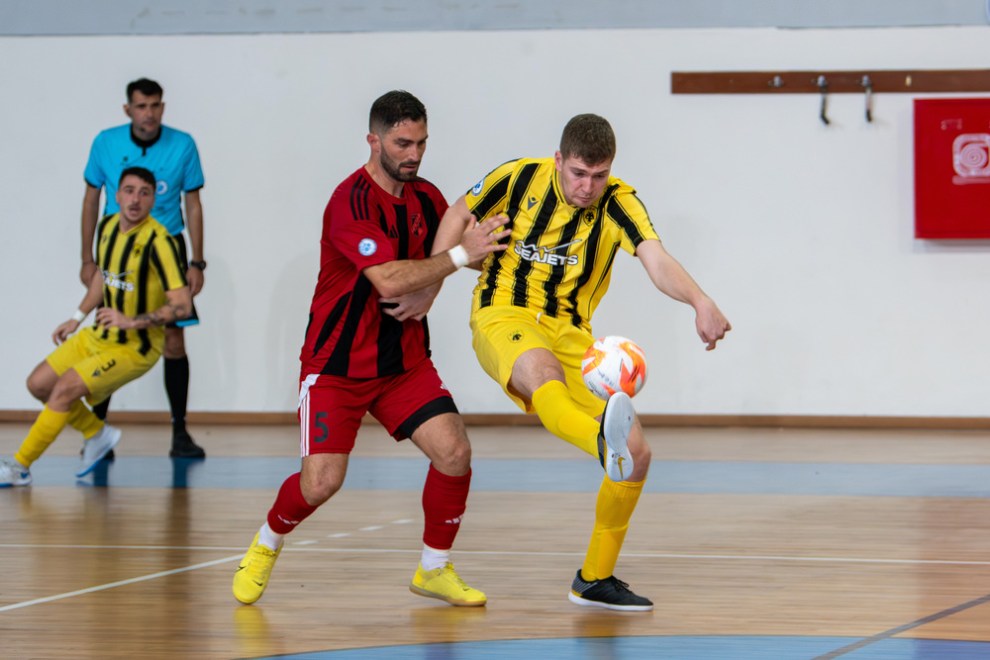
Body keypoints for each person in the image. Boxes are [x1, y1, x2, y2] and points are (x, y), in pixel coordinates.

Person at [431, 113, 731, 611]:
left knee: (638, 454)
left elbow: (655, 258)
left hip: (573, 334)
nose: (588, 187)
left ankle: (594, 579)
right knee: (543, 374)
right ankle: (600, 442)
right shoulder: (518, 177)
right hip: (503, 313)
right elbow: (459, 211)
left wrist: (700, 301)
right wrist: (434, 275)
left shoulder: (619, 203)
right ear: (558, 160)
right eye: (578, 174)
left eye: (599, 175)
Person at [231, 91, 510, 607]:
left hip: (402, 363)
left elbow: (451, 257)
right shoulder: (350, 203)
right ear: (373, 140)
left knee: (454, 452)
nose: (414, 154)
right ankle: (267, 541)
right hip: (336, 367)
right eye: (403, 143)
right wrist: (457, 256)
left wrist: (482, 248)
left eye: (421, 143)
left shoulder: (426, 197)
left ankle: (434, 569)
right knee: (321, 483)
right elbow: (389, 279)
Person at [0, 167, 192, 487]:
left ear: (153, 200)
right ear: (116, 195)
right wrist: (77, 317)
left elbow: (182, 305)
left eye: (144, 193)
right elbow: (102, 278)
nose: (135, 199)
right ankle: (97, 433)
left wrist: (131, 321)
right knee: (38, 384)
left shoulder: (161, 242)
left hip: (136, 347)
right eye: (129, 190)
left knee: (64, 389)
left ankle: (20, 466)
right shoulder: (107, 227)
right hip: (98, 335)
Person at [80, 77, 207, 459]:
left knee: (174, 340)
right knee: (108, 334)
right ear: (128, 109)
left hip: (166, 250)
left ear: (162, 108)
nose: (148, 113)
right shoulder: (106, 142)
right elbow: (90, 200)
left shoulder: (183, 144)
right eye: (141, 106)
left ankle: (180, 433)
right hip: (117, 249)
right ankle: (97, 434)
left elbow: (193, 204)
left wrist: (197, 261)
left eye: (154, 106)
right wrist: (87, 259)